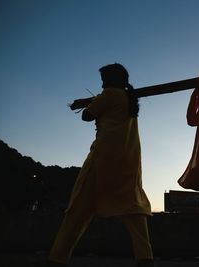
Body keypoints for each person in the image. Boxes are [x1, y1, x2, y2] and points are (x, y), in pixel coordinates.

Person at [44, 63, 154, 267]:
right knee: (132, 206)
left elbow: (87, 116)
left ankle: (57, 259)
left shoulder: (110, 94)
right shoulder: (129, 99)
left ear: (112, 80)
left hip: (103, 157)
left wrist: (93, 101)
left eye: (104, 79)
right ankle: (145, 258)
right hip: (127, 159)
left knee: (78, 207)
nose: (102, 84)